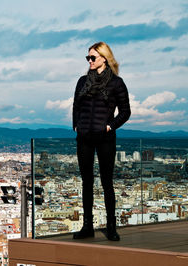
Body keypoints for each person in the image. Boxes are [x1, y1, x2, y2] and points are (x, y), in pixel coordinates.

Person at [72, 42, 131, 241]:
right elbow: (76, 106)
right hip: (84, 138)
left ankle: (111, 227)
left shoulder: (116, 83)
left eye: (93, 57)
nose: (89, 61)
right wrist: (76, 125)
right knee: (86, 182)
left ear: (104, 58)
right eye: (88, 57)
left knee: (107, 183)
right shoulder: (82, 82)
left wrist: (109, 126)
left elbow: (125, 112)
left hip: (105, 138)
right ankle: (87, 226)